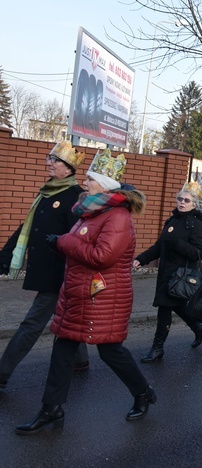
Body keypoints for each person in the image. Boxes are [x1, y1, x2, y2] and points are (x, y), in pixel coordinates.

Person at [16, 150, 156, 435]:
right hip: (79, 294)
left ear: (104, 185)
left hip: (103, 297)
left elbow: (102, 256)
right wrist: (65, 242)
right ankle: (51, 408)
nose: (87, 182)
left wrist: (63, 243)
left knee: (110, 352)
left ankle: (142, 392)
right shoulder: (91, 210)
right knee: (62, 349)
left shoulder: (117, 217)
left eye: (91, 178)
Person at [0, 141, 89, 391]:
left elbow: (80, 239)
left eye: (55, 160)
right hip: (46, 269)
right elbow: (26, 228)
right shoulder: (47, 193)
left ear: (69, 169)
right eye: (49, 158)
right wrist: (6, 255)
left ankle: (2, 372)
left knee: (32, 324)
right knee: (70, 317)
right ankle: (81, 361)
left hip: (60, 273)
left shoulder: (75, 199)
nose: (49, 163)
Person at [133, 181, 202, 363]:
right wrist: (141, 259)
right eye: (180, 199)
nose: (182, 202)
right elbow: (160, 246)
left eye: (187, 200)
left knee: (165, 309)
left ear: (194, 204)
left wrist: (177, 243)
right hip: (166, 274)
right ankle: (197, 327)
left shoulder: (196, 225)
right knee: (177, 306)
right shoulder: (172, 220)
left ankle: (157, 348)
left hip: (180, 276)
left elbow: (199, 253)